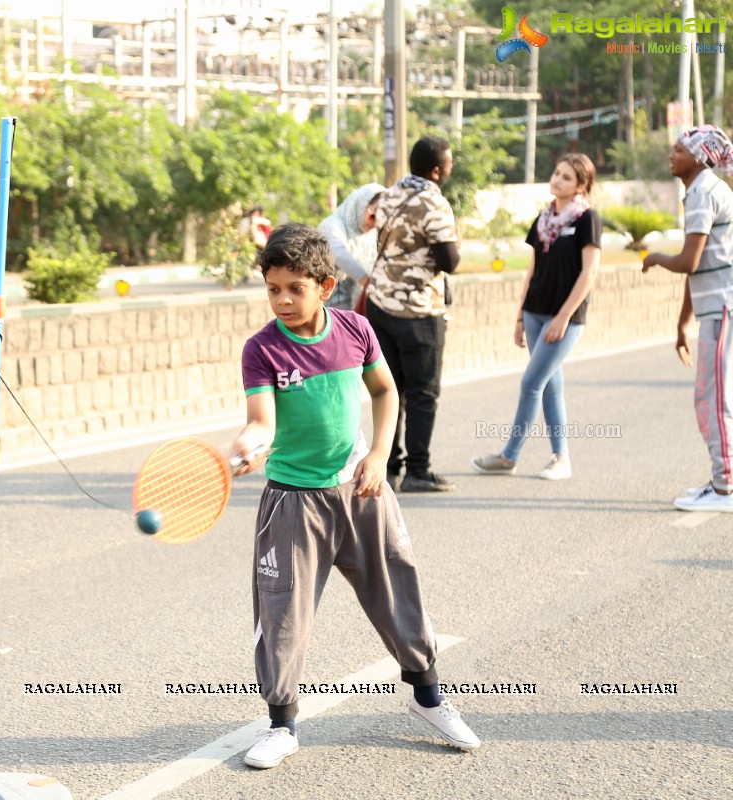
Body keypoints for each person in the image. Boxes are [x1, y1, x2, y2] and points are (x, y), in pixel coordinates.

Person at [230, 223, 481, 770]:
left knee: (399, 595)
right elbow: (260, 422)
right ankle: (281, 725)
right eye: (273, 289)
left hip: (363, 491)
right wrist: (249, 446)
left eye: (295, 288)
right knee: (283, 615)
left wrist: (379, 457)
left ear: (324, 284)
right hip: (293, 501)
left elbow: (386, 391)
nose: (283, 300)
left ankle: (429, 697)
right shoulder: (262, 350)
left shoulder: (357, 330)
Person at [471, 154, 601, 481]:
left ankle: (509, 456)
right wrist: (518, 317)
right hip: (534, 312)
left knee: (531, 382)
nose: (557, 180)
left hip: (565, 318)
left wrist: (563, 317)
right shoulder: (543, 218)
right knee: (550, 385)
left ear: (582, 185)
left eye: (567, 177)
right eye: (557, 173)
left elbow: (589, 273)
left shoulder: (587, 219)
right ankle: (561, 458)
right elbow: (532, 271)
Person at [642, 125, 733, 513]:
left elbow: (687, 262)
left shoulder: (702, 193)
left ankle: (724, 486)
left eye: (678, 149)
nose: (671, 155)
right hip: (716, 307)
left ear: (698, 157)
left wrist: (656, 257)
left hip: (722, 309)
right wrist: (682, 323)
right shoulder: (705, 189)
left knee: (714, 399)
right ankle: (722, 479)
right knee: (714, 397)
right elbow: (699, 266)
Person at [365, 136, 460, 492]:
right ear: (437, 170)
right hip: (418, 310)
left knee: (390, 389)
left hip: (380, 304)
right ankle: (418, 471)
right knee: (422, 392)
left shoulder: (388, 194)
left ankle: (389, 467)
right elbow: (450, 261)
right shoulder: (434, 202)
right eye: (448, 165)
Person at [317, 183, 386, 311]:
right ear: (360, 206)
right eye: (373, 216)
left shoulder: (371, 234)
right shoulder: (332, 226)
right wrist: (366, 280)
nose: (376, 222)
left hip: (361, 303)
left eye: (382, 218)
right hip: (331, 302)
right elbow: (339, 254)